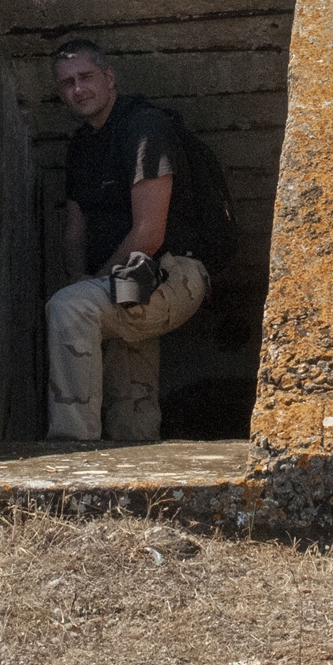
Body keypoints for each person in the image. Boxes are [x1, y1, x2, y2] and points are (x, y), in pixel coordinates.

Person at [45, 38, 214, 441]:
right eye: (67, 83)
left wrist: (86, 289)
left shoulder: (144, 128)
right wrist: (83, 281)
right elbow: (74, 232)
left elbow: (149, 234)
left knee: (70, 309)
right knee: (131, 413)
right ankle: (135, 472)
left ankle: (70, 449)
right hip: (125, 281)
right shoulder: (81, 147)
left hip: (173, 274)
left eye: (86, 77)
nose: (78, 90)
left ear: (110, 77)